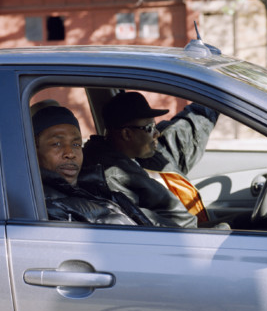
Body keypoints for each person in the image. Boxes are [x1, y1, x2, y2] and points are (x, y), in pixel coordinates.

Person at [83, 91, 220, 228]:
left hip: (193, 230)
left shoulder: (147, 154)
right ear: (126, 134)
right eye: (149, 128)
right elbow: (146, 226)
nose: (157, 133)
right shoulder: (110, 178)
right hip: (182, 236)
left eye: (155, 125)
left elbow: (193, 125)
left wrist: (216, 94)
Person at [32, 104, 152, 226]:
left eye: (76, 144)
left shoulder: (96, 189)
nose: (70, 153)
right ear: (33, 150)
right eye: (57, 144)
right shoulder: (46, 207)